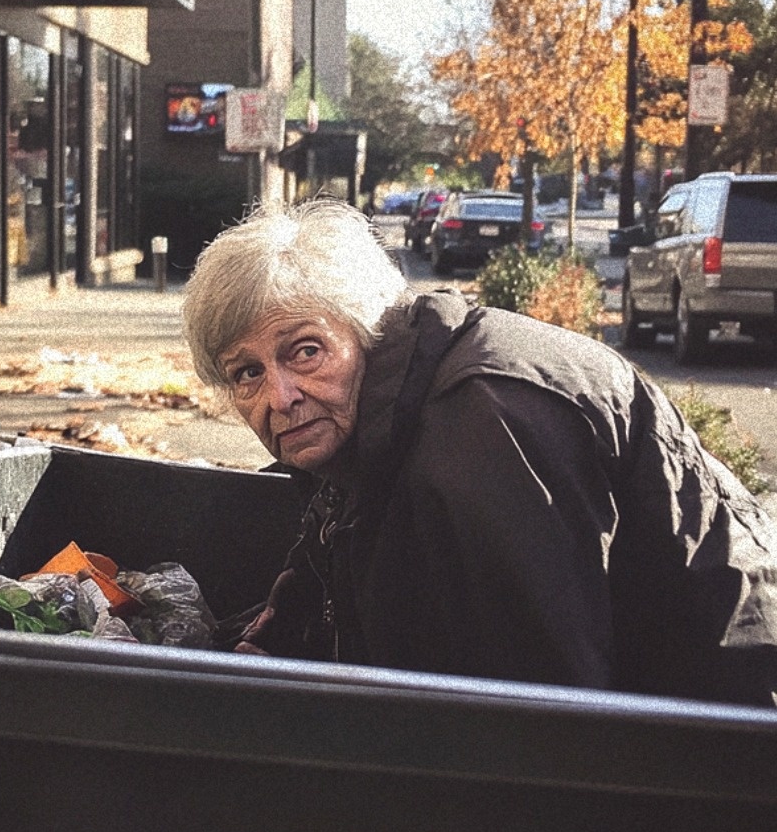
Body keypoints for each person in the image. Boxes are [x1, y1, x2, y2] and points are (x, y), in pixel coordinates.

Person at [182, 197, 777, 707]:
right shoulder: (378, 412)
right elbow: (335, 537)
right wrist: (274, 637)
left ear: (364, 329)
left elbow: (540, 708)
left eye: (305, 351)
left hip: (727, 740)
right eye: (247, 373)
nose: (280, 396)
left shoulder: (481, 434)